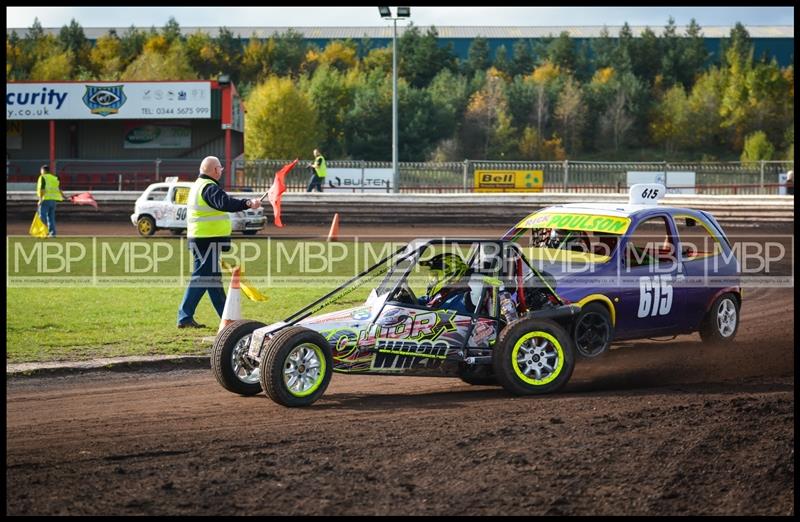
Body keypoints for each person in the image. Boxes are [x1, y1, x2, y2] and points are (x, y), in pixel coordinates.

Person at [176, 156, 262, 329]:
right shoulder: (209, 187)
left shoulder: (199, 186)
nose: (222, 171)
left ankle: (227, 318)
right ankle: (184, 317)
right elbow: (225, 203)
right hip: (206, 240)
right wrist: (248, 203)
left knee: (213, 279)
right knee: (203, 277)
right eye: (220, 168)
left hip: (202, 239)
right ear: (215, 170)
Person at [36, 164, 65, 238]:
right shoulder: (54, 178)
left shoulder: (42, 177)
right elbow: (58, 188)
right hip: (53, 200)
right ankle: (52, 234)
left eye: (41, 171)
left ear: (43, 170)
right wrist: (64, 196)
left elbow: (42, 189)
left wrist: (40, 199)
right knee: (51, 218)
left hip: (45, 199)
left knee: (42, 217)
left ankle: (43, 233)